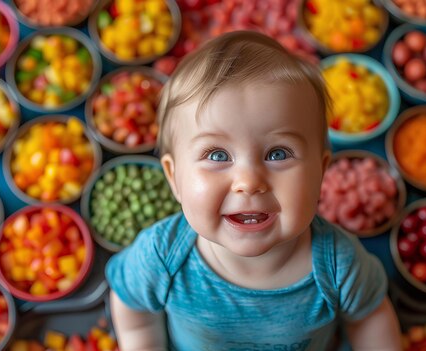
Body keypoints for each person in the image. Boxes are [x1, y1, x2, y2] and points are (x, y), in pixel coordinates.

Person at [105, 30, 401, 351]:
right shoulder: (159, 258)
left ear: (321, 170)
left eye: (278, 154)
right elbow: (133, 310)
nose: (248, 180)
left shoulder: (339, 264)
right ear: (174, 178)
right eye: (218, 155)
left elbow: (370, 319)